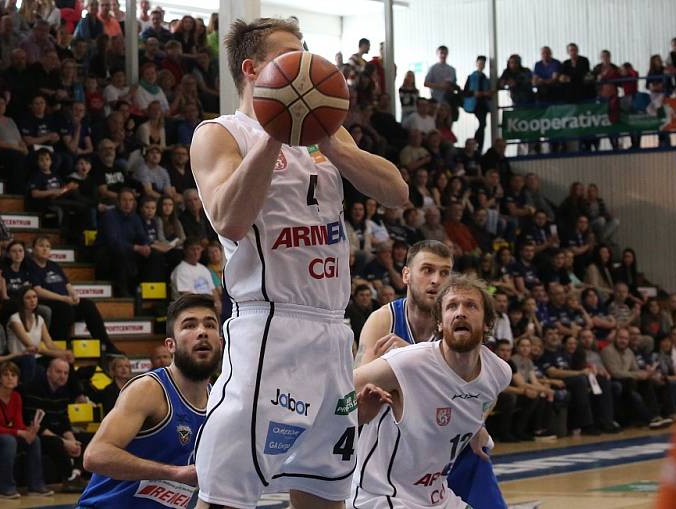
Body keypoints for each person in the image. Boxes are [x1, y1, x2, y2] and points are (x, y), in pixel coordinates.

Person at [190, 18, 407, 509]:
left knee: (324, 491)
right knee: (226, 494)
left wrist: (327, 138)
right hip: (270, 331)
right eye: (289, 56)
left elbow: (396, 192)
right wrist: (275, 131)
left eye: (306, 54)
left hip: (332, 331)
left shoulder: (326, 134)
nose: (304, 66)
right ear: (252, 69)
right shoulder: (221, 134)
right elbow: (227, 219)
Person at [352, 274, 511, 508]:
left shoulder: (499, 372)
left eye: (470, 305)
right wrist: (357, 416)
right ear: (439, 322)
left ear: (487, 323)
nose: (460, 312)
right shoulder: (405, 364)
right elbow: (338, 391)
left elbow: (477, 397)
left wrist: (475, 426)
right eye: (451, 306)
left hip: (436, 495)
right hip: (382, 496)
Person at [79, 294, 221, 508]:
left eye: (210, 325)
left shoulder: (219, 402)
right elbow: (95, 456)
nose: (202, 331)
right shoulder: (149, 389)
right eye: (189, 325)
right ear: (170, 345)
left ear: (220, 341)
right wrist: (174, 473)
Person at [28, 236, 120, 355]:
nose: (45, 249)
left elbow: (67, 284)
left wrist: (74, 295)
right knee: (66, 309)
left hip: (64, 300)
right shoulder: (31, 266)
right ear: (33, 249)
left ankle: (106, 344)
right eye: (41, 246)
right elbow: (38, 290)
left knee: (87, 304)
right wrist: (63, 298)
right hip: (48, 301)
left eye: (48, 247)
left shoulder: (54, 265)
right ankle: (61, 345)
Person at [0, 361, 53, 498]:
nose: (10, 378)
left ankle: (35, 485)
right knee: (9, 441)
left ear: (18, 379)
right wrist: (20, 432)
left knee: (34, 440)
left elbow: (18, 424)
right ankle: (6, 488)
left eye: (13, 375)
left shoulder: (16, 397)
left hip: (4, 435)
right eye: (6, 375)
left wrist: (29, 431)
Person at [20, 358, 85, 488]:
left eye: (66, 373)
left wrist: (71, 440)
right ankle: (68, 477)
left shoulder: (64, 391)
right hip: (37, 433)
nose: (62, 376)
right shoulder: (34, 389)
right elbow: (35, 423)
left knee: (87, 438)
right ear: (48, 372)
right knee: (55, 442)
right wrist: (65, 442)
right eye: (58, 372)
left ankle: (76, 474)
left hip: (56, 432)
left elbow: (64, 420)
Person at [94, 188, 166, 298]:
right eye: (124, 200)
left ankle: (148, 293)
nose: (127, 204)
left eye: (131, 200)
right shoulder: (109, 216)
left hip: (129, 251)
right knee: (121, 252)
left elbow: (142, 236)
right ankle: (123, 291)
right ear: (118, 201)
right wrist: (136, 248)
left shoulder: (135, 218)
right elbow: (113, 242)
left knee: (155, 255)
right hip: (108, 255)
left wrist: (147, 246)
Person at [7, 286, 74, 365]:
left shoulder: (39, 319)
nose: (32, 300)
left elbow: (49, 344)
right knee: (56, 359)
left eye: (34, 297)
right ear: (21, 301)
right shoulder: (15, 319)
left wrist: (64, 353)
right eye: (28, 298)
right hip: (20, 359)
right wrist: (58, 354)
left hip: (36, 358)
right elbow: (31, 347)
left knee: (64, 360)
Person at [170, 237, 218, 301]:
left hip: (208, 306)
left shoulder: (204, 269)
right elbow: (187, 296)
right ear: (185, 251)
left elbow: (213, 291)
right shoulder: (181, 270)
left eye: (198, 249)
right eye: (192, 249)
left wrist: (217, 304)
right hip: (191, 307)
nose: (196, 253)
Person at [463, 56, 491, 153]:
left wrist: (486, 94)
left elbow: (489, 93)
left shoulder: (485, 78)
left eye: (483, 63)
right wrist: (475, 93)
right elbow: (465, 92)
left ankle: (478, 146)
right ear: (476, 63)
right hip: (475, 104)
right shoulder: (471, 77)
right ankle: (477, 145)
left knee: (483, 125)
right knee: (482, 124)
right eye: (480, 63)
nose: (481, 65)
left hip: (483, 105)